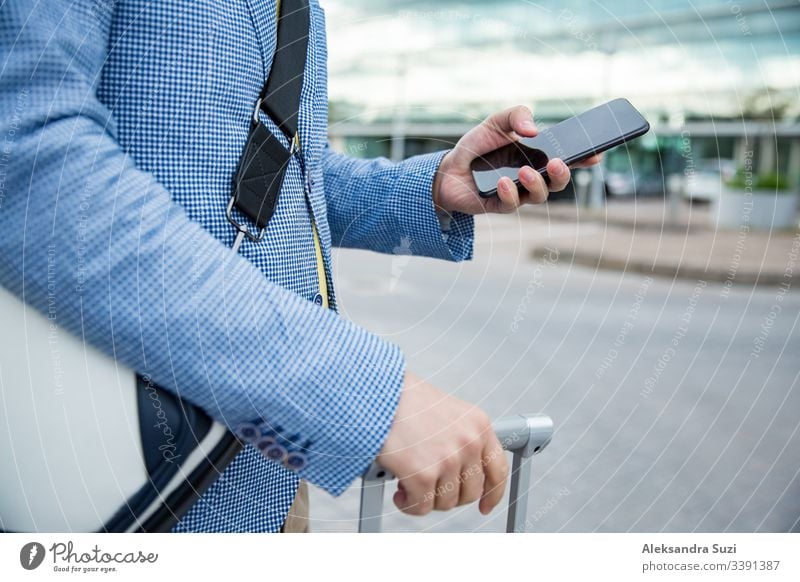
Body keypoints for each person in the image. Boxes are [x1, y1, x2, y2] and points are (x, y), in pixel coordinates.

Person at [0, 0, 598, 532]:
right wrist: (362, 395)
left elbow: (284, 179)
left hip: (270, 469)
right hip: (130, 479)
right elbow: (27, 171)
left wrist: (437, 186)